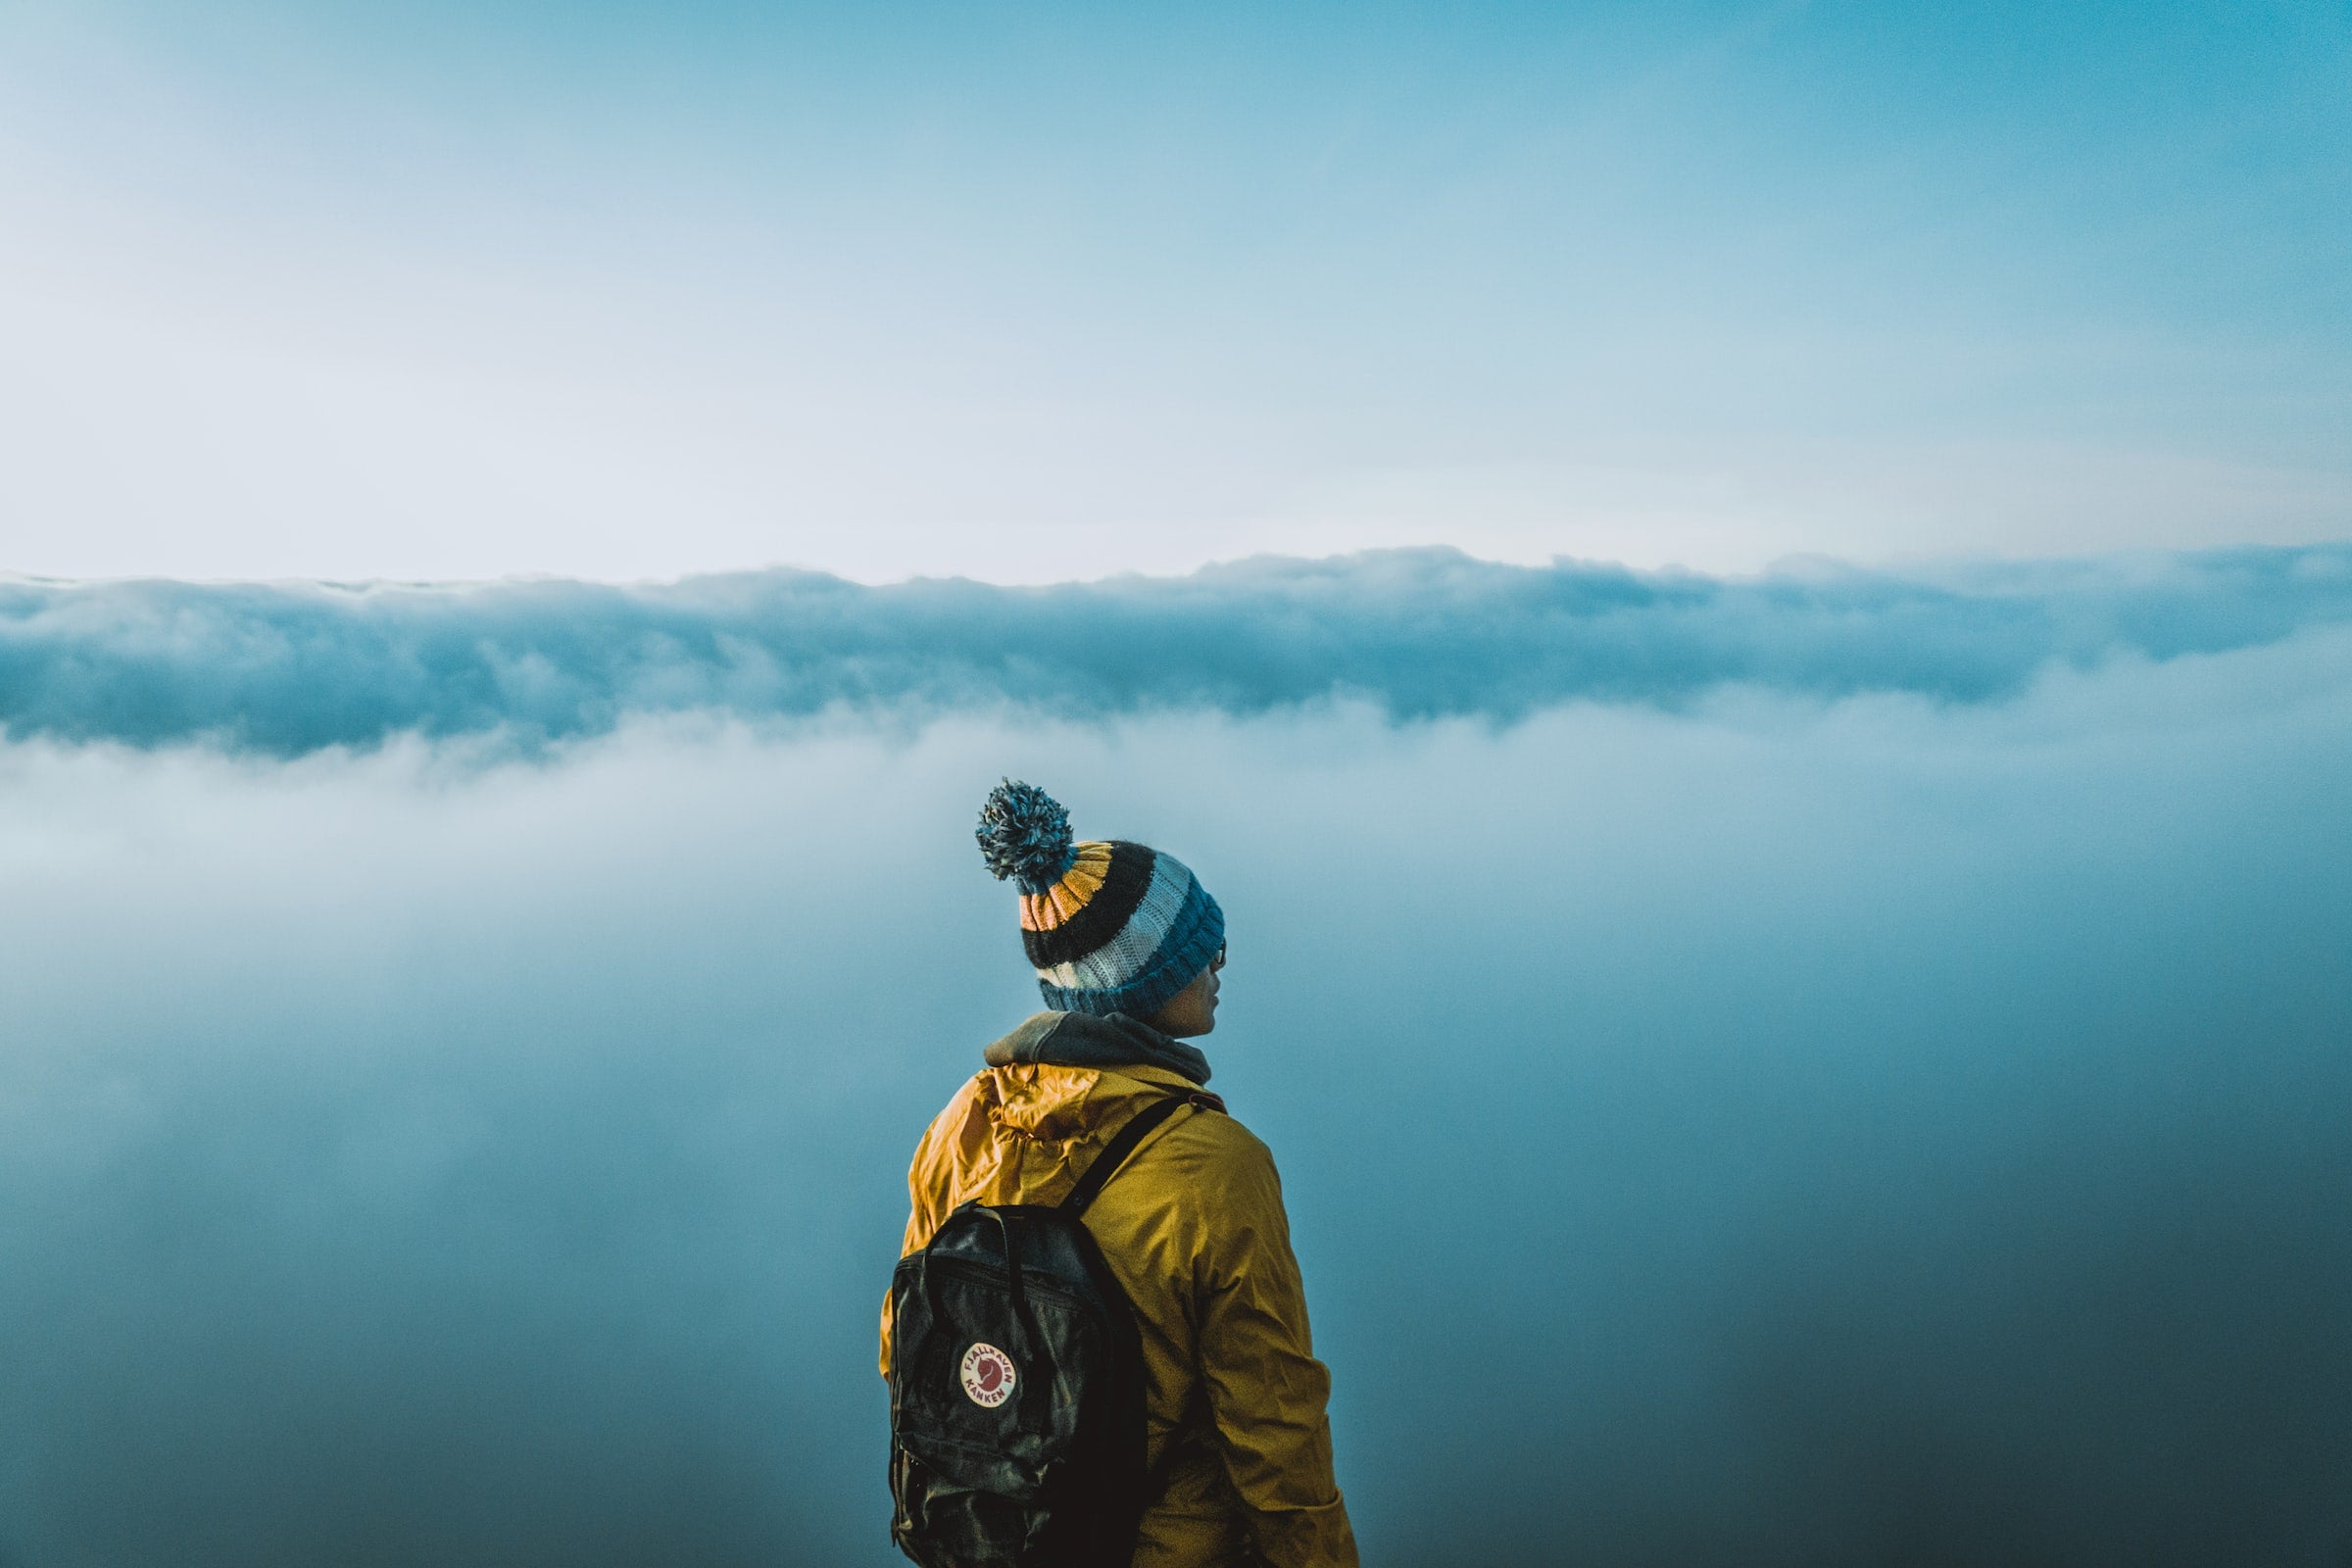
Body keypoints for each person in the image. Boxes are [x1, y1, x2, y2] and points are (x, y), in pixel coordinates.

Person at [881, 780, 1359, 1568]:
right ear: (1137, 985)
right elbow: (1276, 1431)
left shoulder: (963, 1121)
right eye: (1195, 947)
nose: (1219, 959)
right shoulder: (1217, 1168)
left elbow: (906, 1347)